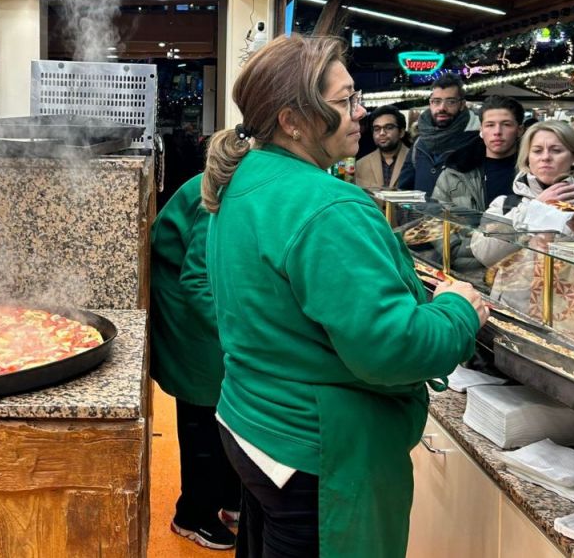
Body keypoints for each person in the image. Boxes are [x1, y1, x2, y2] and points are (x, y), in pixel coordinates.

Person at [202, 35, 487, 557]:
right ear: (292, 120)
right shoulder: (328, 205)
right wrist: (459, 310)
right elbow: (393, 349)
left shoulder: (246, 177)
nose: (361, 113)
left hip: (252, 420)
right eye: (345, 101)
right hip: (317, 447)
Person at [150, 173, 241, 550]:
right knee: (203, 406)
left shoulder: (259, 177)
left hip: (211, 299)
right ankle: (192, 515)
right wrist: (242, 335)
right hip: (186, 302)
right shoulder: (228, 186)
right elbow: (198, 277)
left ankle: (230, 499)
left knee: (227, 405)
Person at [476, 119, 574, 248]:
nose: (545, 157)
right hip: (517, 287)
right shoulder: (505, 205)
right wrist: (533, 211)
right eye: (537, 151)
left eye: (556, 150)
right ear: (527, 159)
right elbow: (484, 254)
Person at [431, 95, 523, 211]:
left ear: (519, 130)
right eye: (490, 125)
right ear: (481, 130)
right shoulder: (455, 173)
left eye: (506, 124)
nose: (497, 132)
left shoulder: (535, 172)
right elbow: (437, 219)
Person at [398, 74, 480, 196]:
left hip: (458, 214)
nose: (442, 108)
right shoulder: (420, 142)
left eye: (450, 102)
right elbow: (404, 190)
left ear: (462, 104)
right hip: (421, 215)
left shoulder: (477, 140)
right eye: (436, 101)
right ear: (430, 103)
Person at [354, 105, 406, 190]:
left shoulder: (415, 161)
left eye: (389, 127)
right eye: (377, 129)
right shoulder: (361, 165)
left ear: (401, 132)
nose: (382, 133)